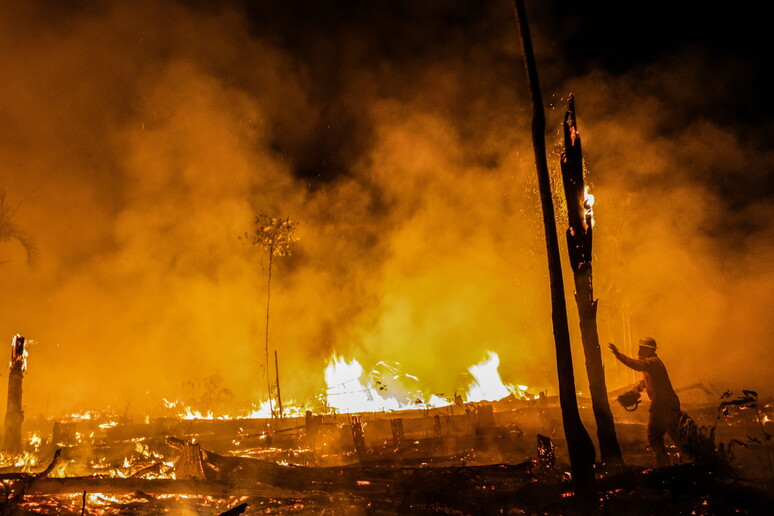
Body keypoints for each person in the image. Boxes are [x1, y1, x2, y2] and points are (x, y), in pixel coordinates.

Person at [609, 337, 682, 466]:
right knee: (675, 435)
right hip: (668, 403)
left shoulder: (653, 362)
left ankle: (664, 467)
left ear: (650, 350)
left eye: (642, 348)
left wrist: (618, 355)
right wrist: (636, 390)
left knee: (654, 436)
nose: (639, 350)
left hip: (662, 404)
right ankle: (688, 460)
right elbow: (646, 381)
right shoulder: (650, 364)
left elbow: (637, 365)